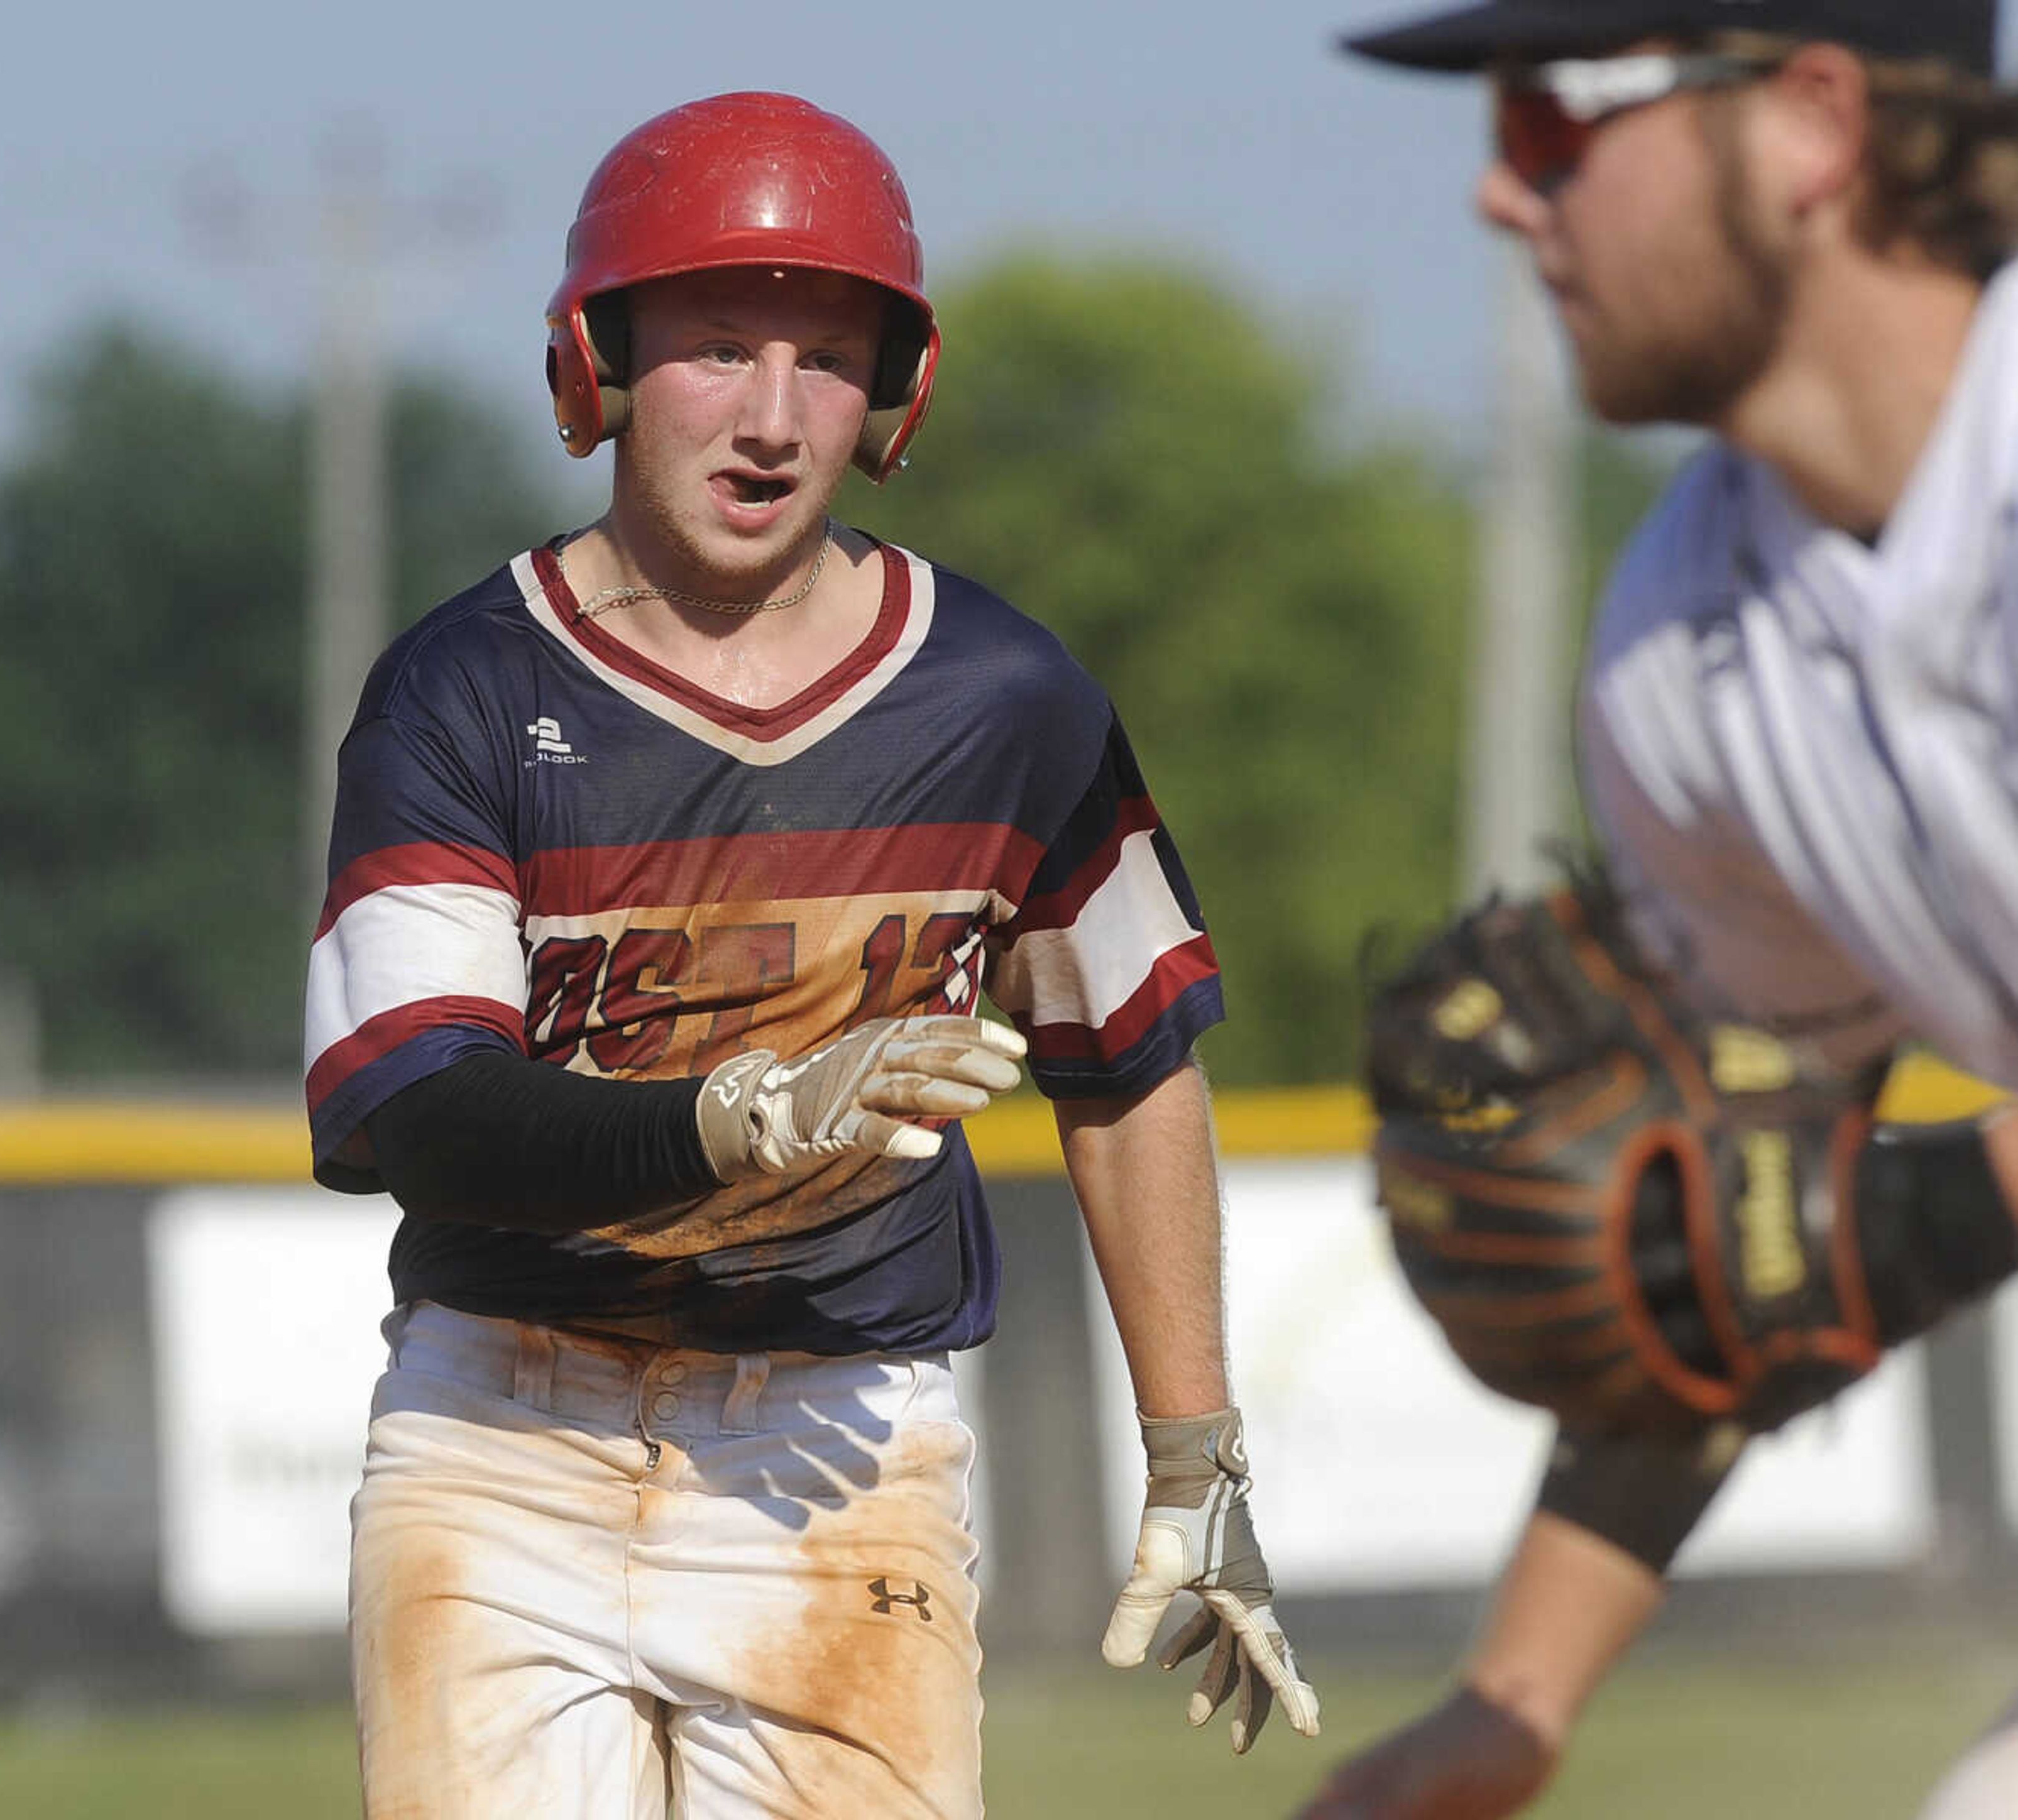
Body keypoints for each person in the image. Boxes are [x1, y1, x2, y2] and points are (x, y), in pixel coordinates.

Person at [1312, 2, 2018, 1816]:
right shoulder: (1689, 657)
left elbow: (1870, 1225)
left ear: (1809, 125)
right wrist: (1516, 1704)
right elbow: (1729, 1210)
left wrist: (1957, 1207)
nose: (1497, 191)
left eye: (1557, 123)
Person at [301, 89, 1317, 1820]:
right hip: (503, 1447)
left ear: (894, 395)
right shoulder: (462, 690)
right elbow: (426, 1117)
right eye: (713, 347)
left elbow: (1131, 1065)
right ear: (602, 362)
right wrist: (747, 1111)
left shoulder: (1008, 700)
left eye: (828, 360)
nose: (772, 417)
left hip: (838, 1453)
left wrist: (1198, 1453)